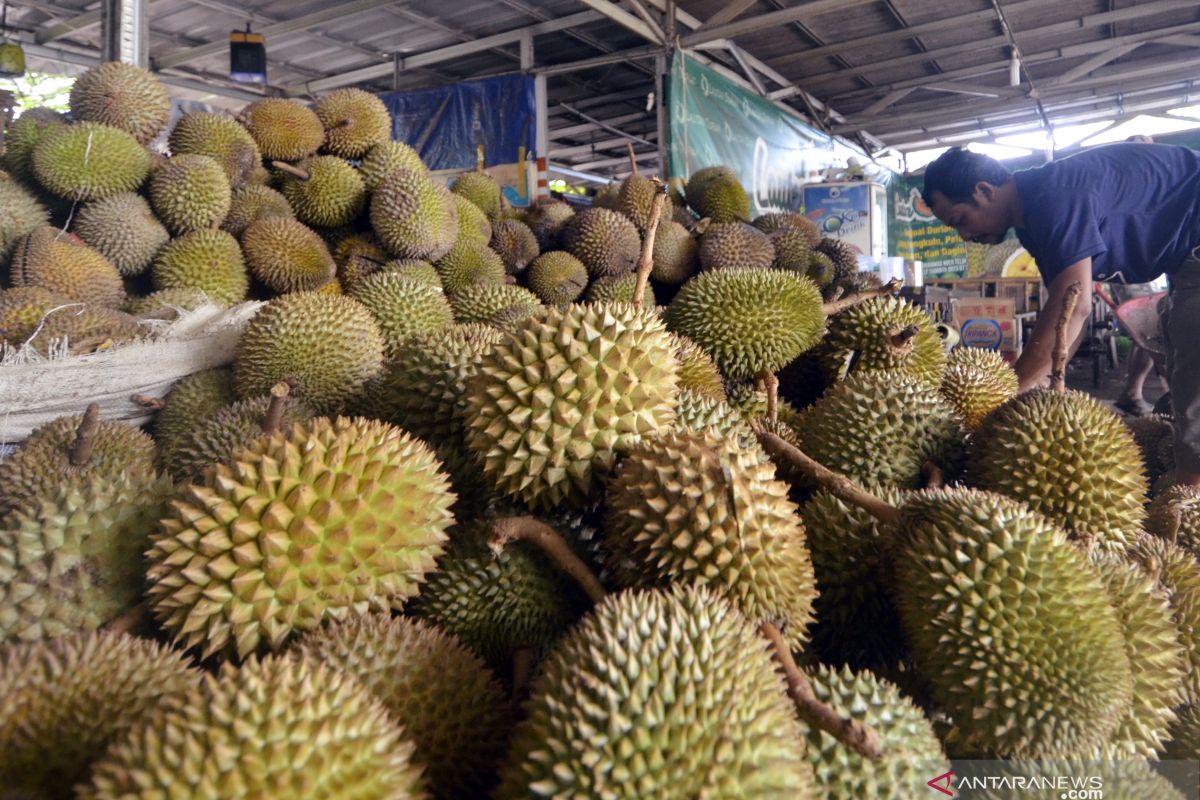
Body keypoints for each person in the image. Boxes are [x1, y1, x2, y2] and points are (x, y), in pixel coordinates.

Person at [921, 142, 1200, 486]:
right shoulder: (1032, 224)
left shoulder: (1051, 197)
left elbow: (1076, 301)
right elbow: (1068, 312)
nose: (965, 235)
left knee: (1193, 340)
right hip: (1184, 258)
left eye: (960, 220)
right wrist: (1039, 381)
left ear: (984, 191)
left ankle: (1190, 496)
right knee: (1176, 340)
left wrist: (1003, 397)